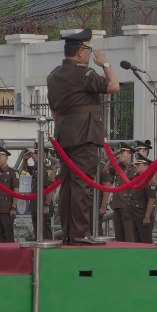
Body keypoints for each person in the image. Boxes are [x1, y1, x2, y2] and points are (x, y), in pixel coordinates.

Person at [45, 28, 119, 244]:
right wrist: (105, 64)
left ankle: (69, 233)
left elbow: (55, 110)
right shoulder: (84, 73)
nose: (90, 53)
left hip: (64, 135)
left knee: (68, 184)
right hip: (85, 135)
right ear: (80, 52)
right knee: (82, 186)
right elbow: (114, 86)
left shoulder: (54, 75)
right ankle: (80, 233)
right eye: (88, 49)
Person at [0, 145, 18, 243]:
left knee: (8, 235)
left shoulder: (12, 172)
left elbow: (16, 191)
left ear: (6, 158)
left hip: (7, 209)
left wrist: (13, 208)